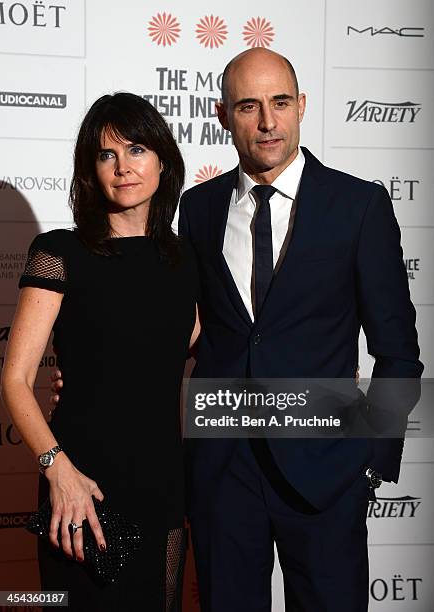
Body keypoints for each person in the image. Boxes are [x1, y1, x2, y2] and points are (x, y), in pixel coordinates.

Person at [51, 49, 423, 611]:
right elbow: (178, 324)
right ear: (224, 115)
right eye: (249, 106)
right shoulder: (196, 208)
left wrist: (370, 462)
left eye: (279, 103)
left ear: (302, 106)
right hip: (222, 472)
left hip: (326, 472)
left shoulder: (359, 204)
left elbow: (399, 352)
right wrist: (93, 376)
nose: (267, 122)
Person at [0, 92, 200, 611]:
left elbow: (208, 345)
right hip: (81, 487)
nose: (123, 167)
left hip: (161, 484)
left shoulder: (186, 261)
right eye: (106, 155)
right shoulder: (60, 253)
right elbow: (16, 380)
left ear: (162, 159)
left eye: (135, 149)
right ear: (91, 169)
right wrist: (56, 469)